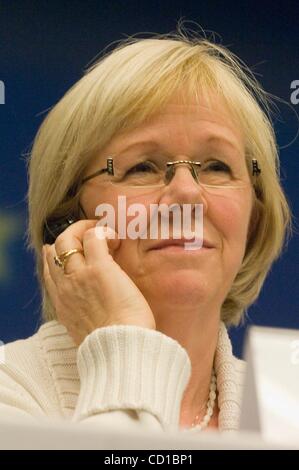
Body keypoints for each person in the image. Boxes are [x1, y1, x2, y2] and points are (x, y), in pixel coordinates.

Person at [0, 29, 291, 435]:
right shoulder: (11, 393)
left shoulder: (289, 405)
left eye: (217, 167)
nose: (188, 193)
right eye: (142, 167)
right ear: (69, 219)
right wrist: (126, 342)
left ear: (254, 217)